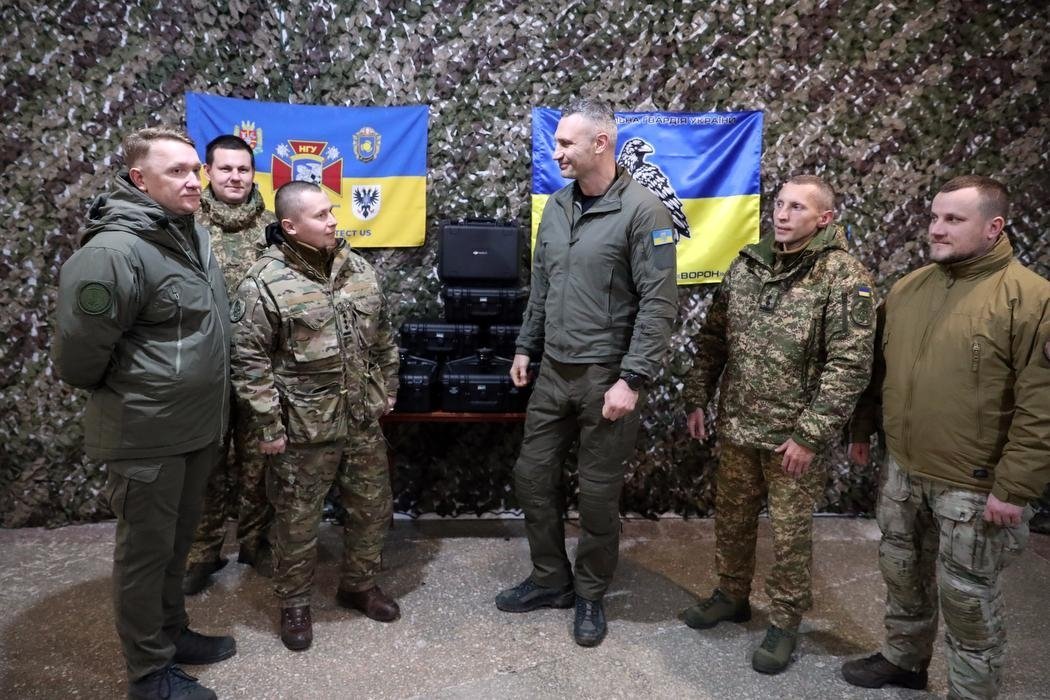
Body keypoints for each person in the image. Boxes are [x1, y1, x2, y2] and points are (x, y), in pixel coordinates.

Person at [842, 175, 1050, 699]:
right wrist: (862, 428)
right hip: (905, 470)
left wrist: (1015, 487)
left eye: (953, 219)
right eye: (934, 217)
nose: (936, 229)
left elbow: (1042, 406)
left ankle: (971, 693)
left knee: (968, 600)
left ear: (993, 227)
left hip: (974, 485)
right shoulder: (909, 288)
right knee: (901, 572)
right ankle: (904, 659)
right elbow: (877, 371)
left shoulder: (1032, 300)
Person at [53, 126, 234, 700]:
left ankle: (171, 633)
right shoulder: (113, 252)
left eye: (194, 169)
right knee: (145, 554)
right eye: (176, 171)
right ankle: (149, 674)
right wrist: (146, 389)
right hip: (146, 431)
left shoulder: (188, 235)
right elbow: (78, 357)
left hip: (194, 427)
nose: (194, 181)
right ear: (139, 179)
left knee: (175, 546)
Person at [495, 98, 678, 647]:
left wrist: (632, 379)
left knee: (598, 495)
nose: (556, 153)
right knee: (532, 477)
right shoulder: (556, 206)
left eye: (565, 143)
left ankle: (591, 593)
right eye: (555, 144)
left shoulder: (644, 211)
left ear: (601, 143)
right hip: (553, 372)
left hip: (607, 376)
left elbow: (659, 304)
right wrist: (526, 346)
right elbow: (543, 285)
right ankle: (551, 579)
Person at [681, 175, 877, 674]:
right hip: (739, 426)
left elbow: (850, 365)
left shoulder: (842, 276)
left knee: (790, 536)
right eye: (779, 204)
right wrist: (697, 396)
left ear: (824, 218)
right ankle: (732, 594)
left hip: (792, 439)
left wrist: (810, 435)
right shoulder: (748, 264)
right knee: (733, 518)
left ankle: (785, 621)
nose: (782, 215)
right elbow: (713, 339)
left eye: (797, 208)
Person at [229, 180, 400, 651]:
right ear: (290, 226)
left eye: (331, 212)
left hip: (360, 420)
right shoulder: (264, 282)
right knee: (297, 521)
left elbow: (384, 337)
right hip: (302, 429)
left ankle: (359, 585)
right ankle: (295, 603)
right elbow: (249, 361)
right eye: (321, 215)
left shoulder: (358, 269)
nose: (333, 221)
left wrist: (387, 389)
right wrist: (268, 426)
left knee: (372, 509)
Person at [183, 135, 276, 595]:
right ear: (208, 172)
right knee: (207, 463)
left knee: (261, 461)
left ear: (253, 173)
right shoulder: (186, 225)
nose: (235, 177)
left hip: (263, 367)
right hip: (207, 367)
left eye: (243, 169)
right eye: (226, 169)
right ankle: (203, 552)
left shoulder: (276, 227)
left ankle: (257, 542)